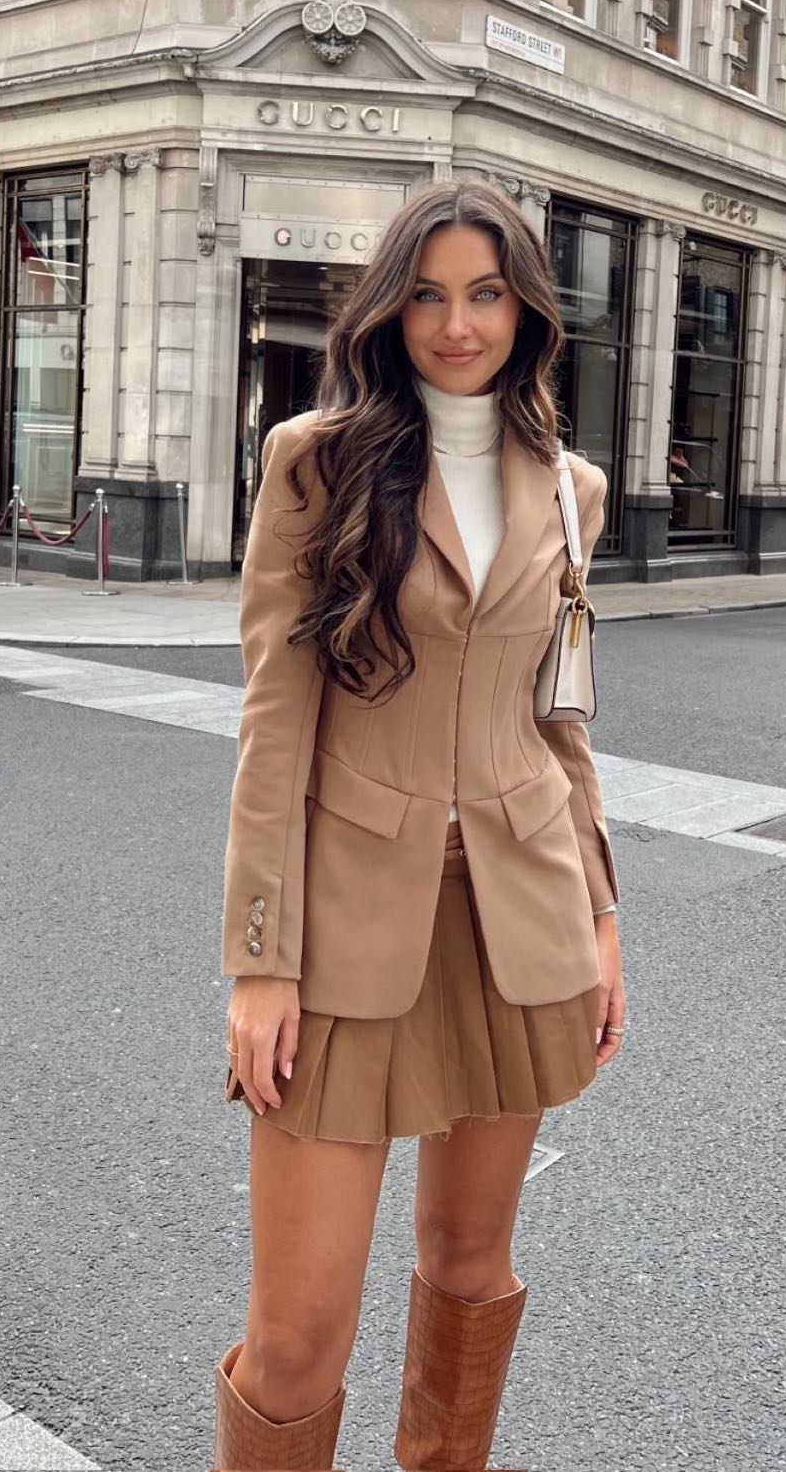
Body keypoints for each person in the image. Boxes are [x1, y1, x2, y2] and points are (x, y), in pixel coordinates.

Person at [215, 180, 626, 1471]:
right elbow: (276, 723)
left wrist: (606, 917)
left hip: (522, 915)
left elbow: (562, 718)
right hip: (345, 930)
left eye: (488, 292)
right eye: (432, 293)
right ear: (391, 307)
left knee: (467, 1265)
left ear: (527, 310)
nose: (459, 324)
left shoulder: (572, 489)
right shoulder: (315, 460)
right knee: (294, 1337)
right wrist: (258, 958)